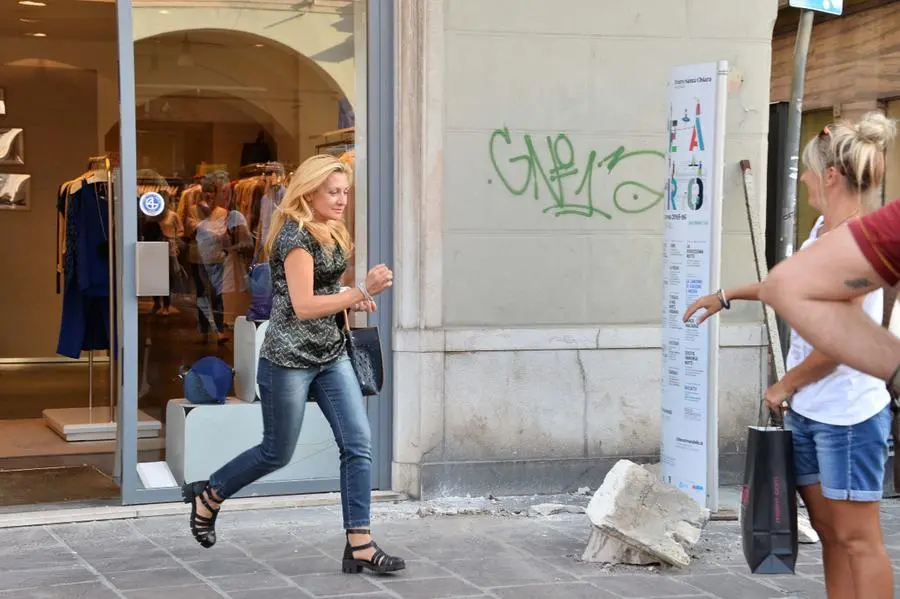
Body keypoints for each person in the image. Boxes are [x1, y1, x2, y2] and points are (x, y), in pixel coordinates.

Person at [685, 112, 896, 599]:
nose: (801, 178)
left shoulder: (857, 244)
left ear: (831, 175)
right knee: (830, 534)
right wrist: (726, 295)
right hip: (810, 412)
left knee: (858, 540)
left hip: (848, 415)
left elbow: (839, 344)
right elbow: (789, 286)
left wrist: (786, 384)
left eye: (808, 170)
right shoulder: (821, 229)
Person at [181, 154, 405, 575]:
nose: (342, 200)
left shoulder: (332, 230)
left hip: (331, 354)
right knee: (276, 452)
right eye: (333, 192)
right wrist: (360, 291)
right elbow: (303, 306)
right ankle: (209, 494)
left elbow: (326, 288)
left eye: (345, 192)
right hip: (289, 360)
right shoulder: (295, 237)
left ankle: (359, 543)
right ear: (309, 192)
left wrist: (350, 299)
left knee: (358, 443)